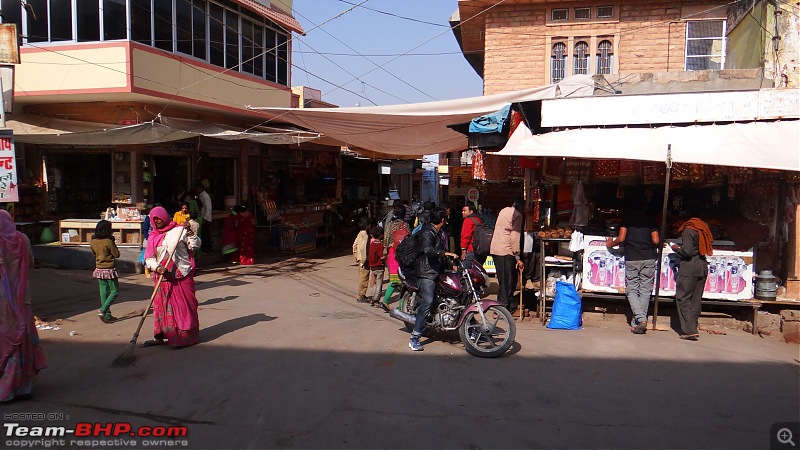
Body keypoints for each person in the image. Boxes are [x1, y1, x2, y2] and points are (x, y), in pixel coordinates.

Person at [0, 210, 47, 402]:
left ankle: (6, 388)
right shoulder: (23, 239)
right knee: (23, 339)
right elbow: (31, 264)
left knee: (6, 341)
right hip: (22, 297)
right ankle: (23, 387)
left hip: (2, 300)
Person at [141, 206, 202, 348]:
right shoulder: (152, 237)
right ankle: (162, 336)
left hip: (182, 275)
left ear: (165, 217)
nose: (156, 221)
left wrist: (190, 232)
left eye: (158, 218)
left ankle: (185, 338)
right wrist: (157, 267)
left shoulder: (179, 231)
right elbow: (148, 258)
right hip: (163, 277)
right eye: (153, 219)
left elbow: (195, 245)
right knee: (163, 308)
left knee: (184, 308)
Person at [409, 207, 459, 351]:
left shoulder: (438, 232)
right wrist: (445, 253)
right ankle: (414, 337)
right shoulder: (426, 232)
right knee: (428, 301)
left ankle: (472, 330)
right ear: (442, 220)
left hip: (438, 269)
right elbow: (428, 250)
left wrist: (451, 264)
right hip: (426, 272)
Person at [605, 209, 660, 335]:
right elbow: (656, 240)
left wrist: (610, 244)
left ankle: (640, 320)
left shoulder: (627, 220)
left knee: (632, 290)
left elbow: (621, 238)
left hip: (632, 258)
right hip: (649, 257)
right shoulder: (650, 221)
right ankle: (638, 323)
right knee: (645, 290)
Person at [669, 217, 713, 341]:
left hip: (690, 268)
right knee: (695, 299)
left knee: (683, 297)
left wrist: (677, 249)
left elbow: (687, 252)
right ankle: (693, 326)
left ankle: (690, 330)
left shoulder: (689, 230)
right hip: (702, 266)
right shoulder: (703, 228)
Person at [490, 198, 525, 312]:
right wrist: (518, 257)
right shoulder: (518, 215)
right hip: (505, 250)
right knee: (508, 281)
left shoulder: (504, 210)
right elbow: (515, 237)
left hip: (496, 248)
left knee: (502, 280)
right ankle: (503, 307)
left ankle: (504, 305)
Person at [90, 220, 121, 324]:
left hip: (99, 269)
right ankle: (103, 311)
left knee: (104, 292)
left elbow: (94, 254)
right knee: (114, 291)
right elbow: (117, 254)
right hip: (109, 269)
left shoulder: (93, 241)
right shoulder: (108, 241)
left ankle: (107, 315)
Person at [382, 205, 410, 312]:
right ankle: (400, 306)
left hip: (392, 254)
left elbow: (385, 240)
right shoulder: (405, 225)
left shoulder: (390, 225)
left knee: (394, 280)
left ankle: (385, 301)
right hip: (402, 255)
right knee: (404, 282)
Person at [352, 217, 371, 303]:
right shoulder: (365, 235)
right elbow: (364, 248)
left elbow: (354, 246)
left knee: (361, 277)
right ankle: (361, 295)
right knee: (364, 278)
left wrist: (357, 257)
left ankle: (361, 294)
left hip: (360, 259)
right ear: (367, 226)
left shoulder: (359, 234)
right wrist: (364, 260)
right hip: (364, 260)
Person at [367, 226, 386, 308]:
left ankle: (372, 299)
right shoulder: (380, 245)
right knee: (379, 284)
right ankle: (376, 300)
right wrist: (386, 256)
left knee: (374, 284)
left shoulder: (372, 244)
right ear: (381, 235)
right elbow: (381, 257)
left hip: (372, 267)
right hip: (379, 267)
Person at [195, 183, 213, 254]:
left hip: (206, 219)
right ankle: (205, 249)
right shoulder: (200, 196)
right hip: (202, 217)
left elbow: (208, 208)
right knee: (203, 234)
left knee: (206, 235)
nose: (197, 190)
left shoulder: (205, 196)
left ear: (201, 188)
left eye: (197, 189)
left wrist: (205, 218)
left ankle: (208, 250)